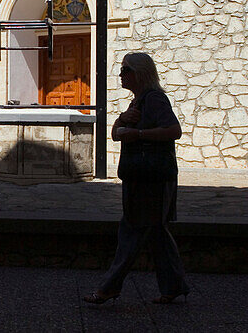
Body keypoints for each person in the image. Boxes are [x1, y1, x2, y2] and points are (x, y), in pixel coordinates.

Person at [84, 51, 189, 307]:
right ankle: (174, 286)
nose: (121, 75)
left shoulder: (154, 100)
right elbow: (117, 134)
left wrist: (139, 133)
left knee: (131, 231)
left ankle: (109, 288)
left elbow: (174, 130)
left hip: (150, 179)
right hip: (143, 176)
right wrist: (121, 121)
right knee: (156, 233)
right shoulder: (137, 103)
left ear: (139, 73)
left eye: (125, 70)